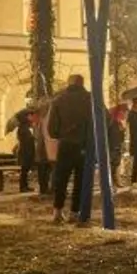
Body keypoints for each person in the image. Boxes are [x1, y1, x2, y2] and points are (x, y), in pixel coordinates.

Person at [47, 74, 92, 222]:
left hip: (66, 145)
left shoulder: (59, 100)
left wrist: (63, 133)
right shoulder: (90, 98)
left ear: (69, 83)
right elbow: (104, 119)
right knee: (81, 180)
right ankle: (75, 212)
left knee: (62, 179)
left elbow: (51, 129)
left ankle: (57, 211)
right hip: (84, 145)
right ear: (82, 83)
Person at [15, 109, 37, 192]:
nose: (32, 117)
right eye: (30, 115)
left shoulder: (26, 127)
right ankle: (23, 187)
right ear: (25, 117)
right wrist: (33, 138)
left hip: (27, 152)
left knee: (26, 170)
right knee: (24, 170)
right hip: (25, 152)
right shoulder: (23, 128)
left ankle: (25, 186)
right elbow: (27, 140)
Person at [106, 103, 126, 183]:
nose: (124, 114)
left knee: (116, 164)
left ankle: (115, 181)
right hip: (112, 146)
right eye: (123, 112)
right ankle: (110, 181)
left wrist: (123, 130)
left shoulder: (119, 123)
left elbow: (121, 136)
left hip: (117, 145)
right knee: (111, 165)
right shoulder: (111, 122)